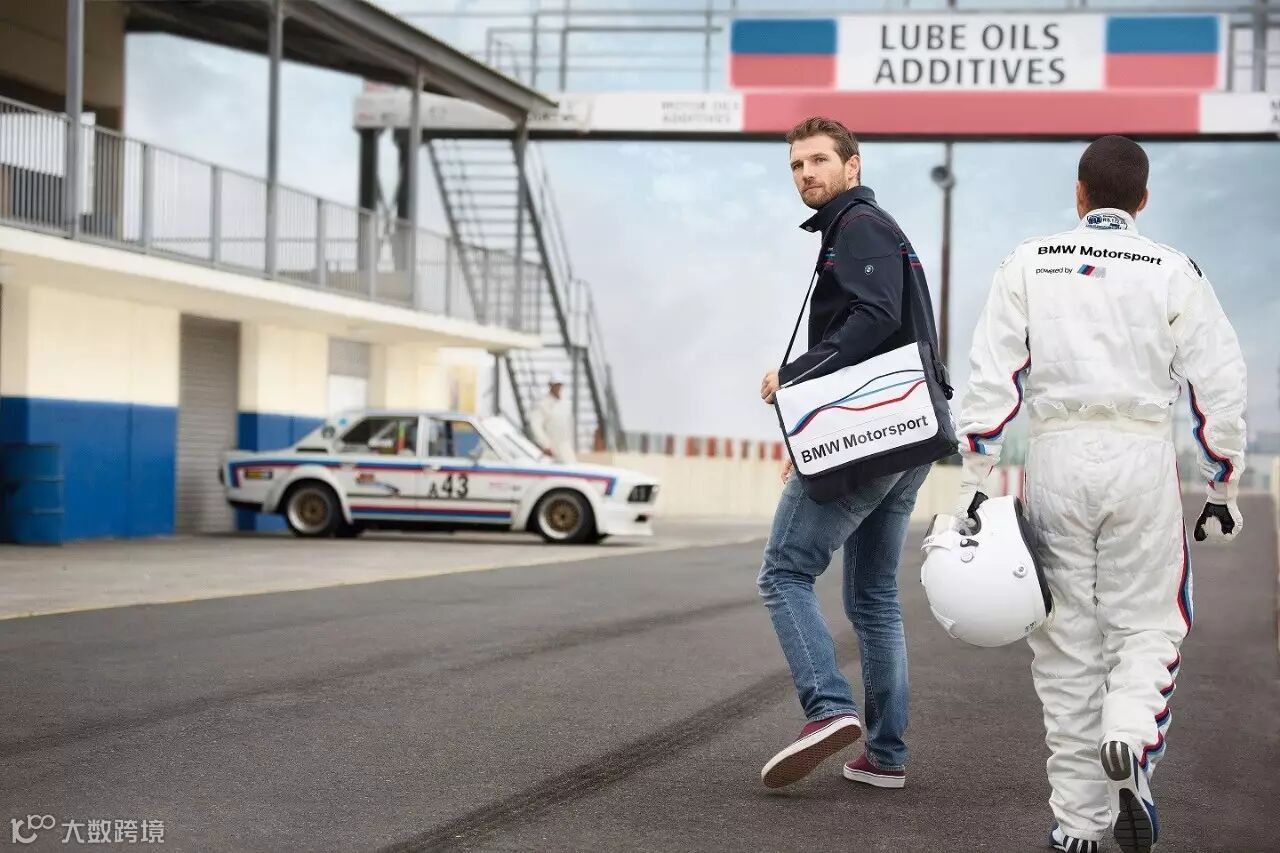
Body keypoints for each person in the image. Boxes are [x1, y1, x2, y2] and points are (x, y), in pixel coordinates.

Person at [953, 135, 1246, 853]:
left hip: (1056, 457)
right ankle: (1133, 731)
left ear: (1079, 193)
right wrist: (1222, 483)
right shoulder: (1174, 269)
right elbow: (1220, 381)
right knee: (1148, 623)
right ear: (1142, 200)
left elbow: (991, 376)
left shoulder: (1028, 260)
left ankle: (1078, 829)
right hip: (1140, 456)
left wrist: (976, 478)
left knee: (1065, 650)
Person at [756, 117, 937, 790]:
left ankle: (827, 708)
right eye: (796, 164)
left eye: (819, 160)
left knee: (783, 572)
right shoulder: (862, 228)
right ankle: (885, 756)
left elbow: (875, 316)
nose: (806, 173)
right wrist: (809, 437)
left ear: (852, 166)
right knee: (874, 597)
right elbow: (885, 326)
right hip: (907, 434)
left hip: (874, 433)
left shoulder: (859, 226)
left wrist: (796, 377)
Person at [530, 374, 577, 464]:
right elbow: (536, 427)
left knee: (572, 468)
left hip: (566, 447)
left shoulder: (564, 404)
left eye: (559, 385)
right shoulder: (542, 405)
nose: (558, 387)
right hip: (552, 448)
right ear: (550, 385)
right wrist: (546, 445)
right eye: (555, 385)